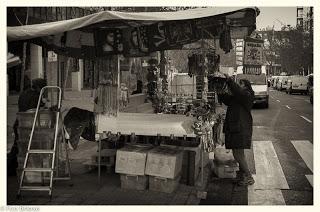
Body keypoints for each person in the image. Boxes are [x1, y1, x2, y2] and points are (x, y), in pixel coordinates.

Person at [217, 75, 255, 186]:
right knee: (237, 153)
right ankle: (242, 176)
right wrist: (220, 92)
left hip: (240, 128)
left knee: (238, 154)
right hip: (236, 128)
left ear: (246, 86)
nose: (238, 85)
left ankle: (249, 177)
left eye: (240, 83)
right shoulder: (238, 96)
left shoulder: (247, 95)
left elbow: (238, 92)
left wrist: (229, 81)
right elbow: (228, 100)